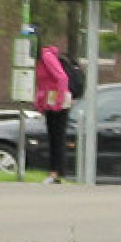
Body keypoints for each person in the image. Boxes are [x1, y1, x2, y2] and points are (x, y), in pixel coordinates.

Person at [35, 43, 73, 182]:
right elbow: (43, 84)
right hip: (50, 100)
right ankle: (55, 172)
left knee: (57, 136)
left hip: (57, 101)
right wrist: (39, 102)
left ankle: (56, 172)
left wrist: (59, 100)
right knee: (53, 136)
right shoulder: (41, 60)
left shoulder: (47, 57)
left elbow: (62, 78)